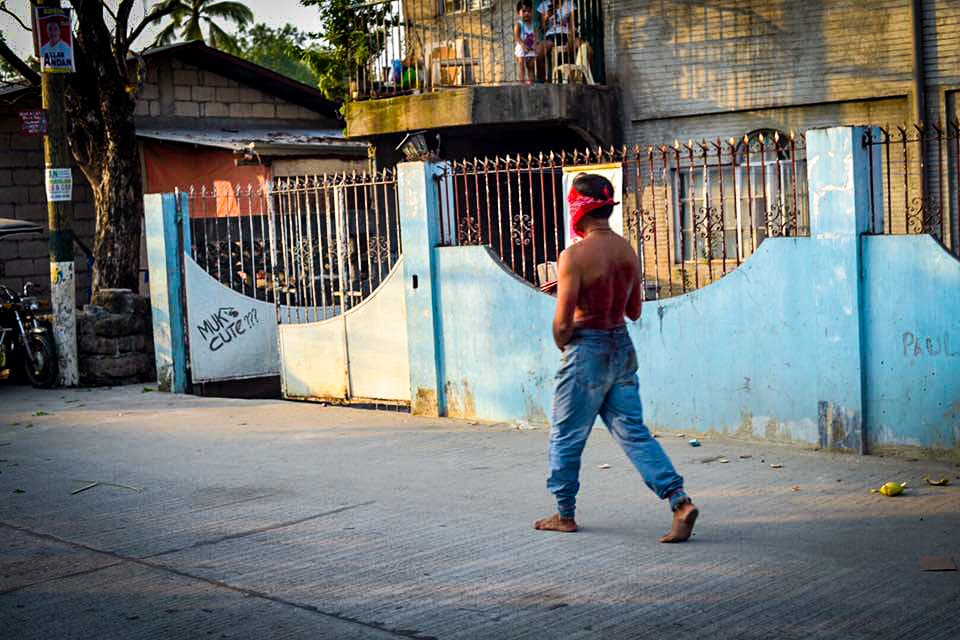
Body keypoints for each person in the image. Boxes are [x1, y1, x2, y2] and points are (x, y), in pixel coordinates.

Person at [534, 173, 699, 543]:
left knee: (566, 435)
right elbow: (635, 311)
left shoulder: (573, 256)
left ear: (578, 208)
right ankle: (680, 501)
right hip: (621, 348)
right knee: (635, 434)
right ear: (607, 208)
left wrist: (568, 345)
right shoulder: (628, 251)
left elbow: (562, 323)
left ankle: (564, 513)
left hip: (586, 350)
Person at [537, 0, 576, 69]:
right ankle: (543, 78)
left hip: (566, 34)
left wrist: (571, 38)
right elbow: (543, 29)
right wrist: (546, 17)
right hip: (551, 35)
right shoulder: (544, 5)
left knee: (586, 49)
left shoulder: (570, 4)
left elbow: (573, 26)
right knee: (538, 52)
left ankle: (581, 76)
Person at [514, 1, 540, 85]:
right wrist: (523, 45)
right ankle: (522, 84)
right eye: (524, 11)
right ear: (518, 13)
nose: (527, 13)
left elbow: (536, 36)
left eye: (529, 11)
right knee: (521, 65)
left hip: (531, 48)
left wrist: (535, 44)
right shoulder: (519, 24)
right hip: (522, 48)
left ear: (532, 12)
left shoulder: (534, 25)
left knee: (530, 67)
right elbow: (517, 37)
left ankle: (530, 84)